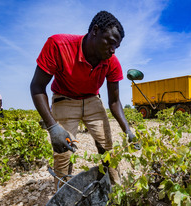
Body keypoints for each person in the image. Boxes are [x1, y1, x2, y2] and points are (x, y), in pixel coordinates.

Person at [30, 11, 139, 189]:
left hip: (92, 100)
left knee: (106, 147)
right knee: (64, 152)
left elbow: (114, 102)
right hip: (64, 99)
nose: (112, 50)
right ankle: (65, 196)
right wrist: (52, 127)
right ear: (95, 31)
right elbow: (36, 87)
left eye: (116, 47)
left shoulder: (111, 61)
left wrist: (128, 130)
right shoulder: (58, 45)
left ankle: (113, 189)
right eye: (110, 43)